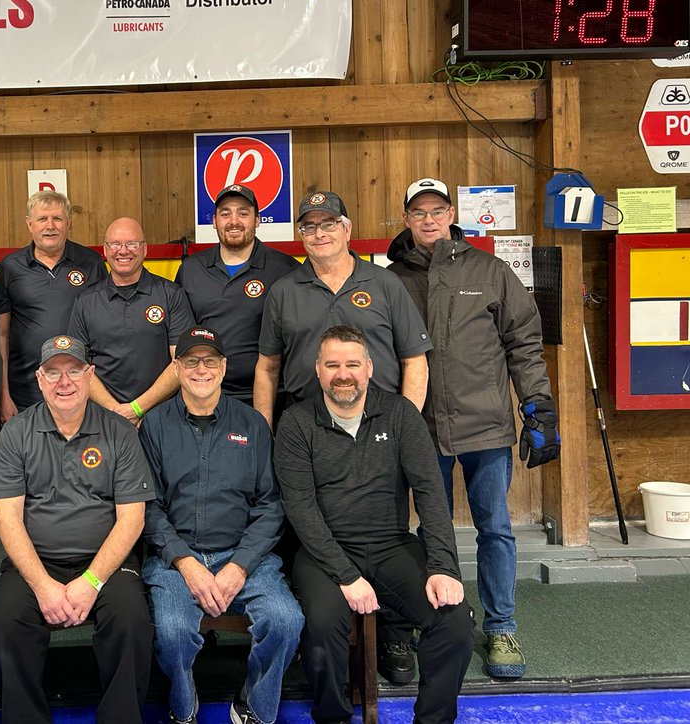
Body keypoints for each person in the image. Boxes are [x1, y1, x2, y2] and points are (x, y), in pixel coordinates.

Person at [388, 177, 559, 679]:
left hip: (486, 425)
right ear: (406, 220)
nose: (428, 219)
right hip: (421, 427)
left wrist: (538, 405)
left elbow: (523, 343)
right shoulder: (390, 279)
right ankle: (440, 618)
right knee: (426, 530)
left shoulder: (489, 270)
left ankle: (501, 625)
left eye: (436, 209)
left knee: (495, 528)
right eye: (418, 212)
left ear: (451, 214)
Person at [274, 326, 474, 724]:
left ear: (369, 368)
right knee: (322, 624)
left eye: (351, 364)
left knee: (454, 621)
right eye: (332, 364)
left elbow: (432, 495)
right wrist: (346, 574)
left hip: (391, 546)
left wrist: (444, 567)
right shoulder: (296, 423)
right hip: (323, 554)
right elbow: (300, 508)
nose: (342, 374)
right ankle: (333, 716)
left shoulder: (400, 415)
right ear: (317, 370)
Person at [140, 325, 304, 724]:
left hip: (243, 553)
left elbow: (270, 506)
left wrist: (240, 565)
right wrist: (185, 562)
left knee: (286, 621)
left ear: (224, 366)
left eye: (209, 361)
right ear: (177, 368)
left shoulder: (252, 424)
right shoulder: (154, 426)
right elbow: (148, 508)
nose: (201, 369)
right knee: (174, 632)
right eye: (191, 361)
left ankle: (252, 705)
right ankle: (184, 706)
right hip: (175, 557)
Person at [0, 334, 155, 724]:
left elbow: (133, 519)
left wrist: (92, 580)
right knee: (5, 623)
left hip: (106, 564)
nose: (65, 382)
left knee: (132, 622)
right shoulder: (16, 434)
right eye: (53, 372)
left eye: (75, 371)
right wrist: (43, 585)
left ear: (90, 375)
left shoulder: (119, 432)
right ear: (39, 378)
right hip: (36, 562)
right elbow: (7, 518)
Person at [254, 190, 432, 431]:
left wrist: (406, 426)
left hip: (379, 421)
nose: (319, 234)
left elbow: (414, 361)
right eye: (309, 226)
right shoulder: (283, 291)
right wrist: (262, 430)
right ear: (302, 236)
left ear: (346, 230)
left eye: (329, 224)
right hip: (306, 424)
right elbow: (268, 367)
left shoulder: (386, 283)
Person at [176, 184, 300, 405]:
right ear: (214, 221)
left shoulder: (285, 269)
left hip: (271, 395)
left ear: (257, 220)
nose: (234, 221)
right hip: (204, 393)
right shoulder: (190, 269)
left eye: (243, 213)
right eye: (225, 214)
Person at [69, 216, 193, 426]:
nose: (123, 251)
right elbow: (77, 366)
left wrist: (137, 409)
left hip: (162, 418)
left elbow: (181, 361)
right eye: (116, 244)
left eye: (132, 244)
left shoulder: (171, 294)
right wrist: (116, 412)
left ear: (144, 249)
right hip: (103, 419)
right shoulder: (85, 301)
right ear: (106, 250)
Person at [0, 190, 105, 420]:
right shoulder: (9, 268)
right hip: (25, 389)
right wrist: (4, 396)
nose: (50, 226)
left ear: (69, 223)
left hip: (79, 387)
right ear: (29, 223)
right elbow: (1, 336)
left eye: (57, 218)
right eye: (42, 219)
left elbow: (104, 327)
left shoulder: (91, 263)